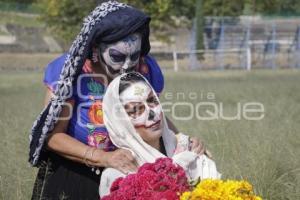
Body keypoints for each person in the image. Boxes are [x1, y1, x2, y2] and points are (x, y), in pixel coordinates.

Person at [29, 1, 206, 199]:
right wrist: (104, 158)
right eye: (117, 57)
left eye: (134, 56)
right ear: (95, 48)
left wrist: (182, 141)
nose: (127, 66)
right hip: (76, 176)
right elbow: (53, 137)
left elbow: (152, 114)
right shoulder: (70, 73)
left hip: (132, 173)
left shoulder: (145, 69)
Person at [99, 72, 220, 197]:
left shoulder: (190, 149)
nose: (152, 114)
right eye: (136, 110)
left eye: (152, 101)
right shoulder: (118, 175)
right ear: (121, 123)